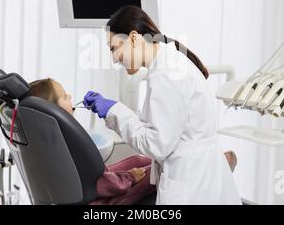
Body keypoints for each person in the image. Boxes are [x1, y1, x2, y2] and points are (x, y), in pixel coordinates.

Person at [83, 5, 241, 205]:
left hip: (191, 186)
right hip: (198, 178)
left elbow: (156, 144)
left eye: (114, 48)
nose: (114, 58)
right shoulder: (167, 65)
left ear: (133, 38)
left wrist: (114, 111)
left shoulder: (165, 73)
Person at [28, 78, 238, 205]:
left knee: (138, 158)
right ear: (53, 110)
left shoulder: (50, 144)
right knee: (159, 172)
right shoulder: (69, 144)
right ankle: (212, 166)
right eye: (65, 96)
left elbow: (93, 177)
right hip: (106, 199)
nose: (70, 96)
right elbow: (98, 185)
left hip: (95, 189)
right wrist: (129, 178)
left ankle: (208, 164)